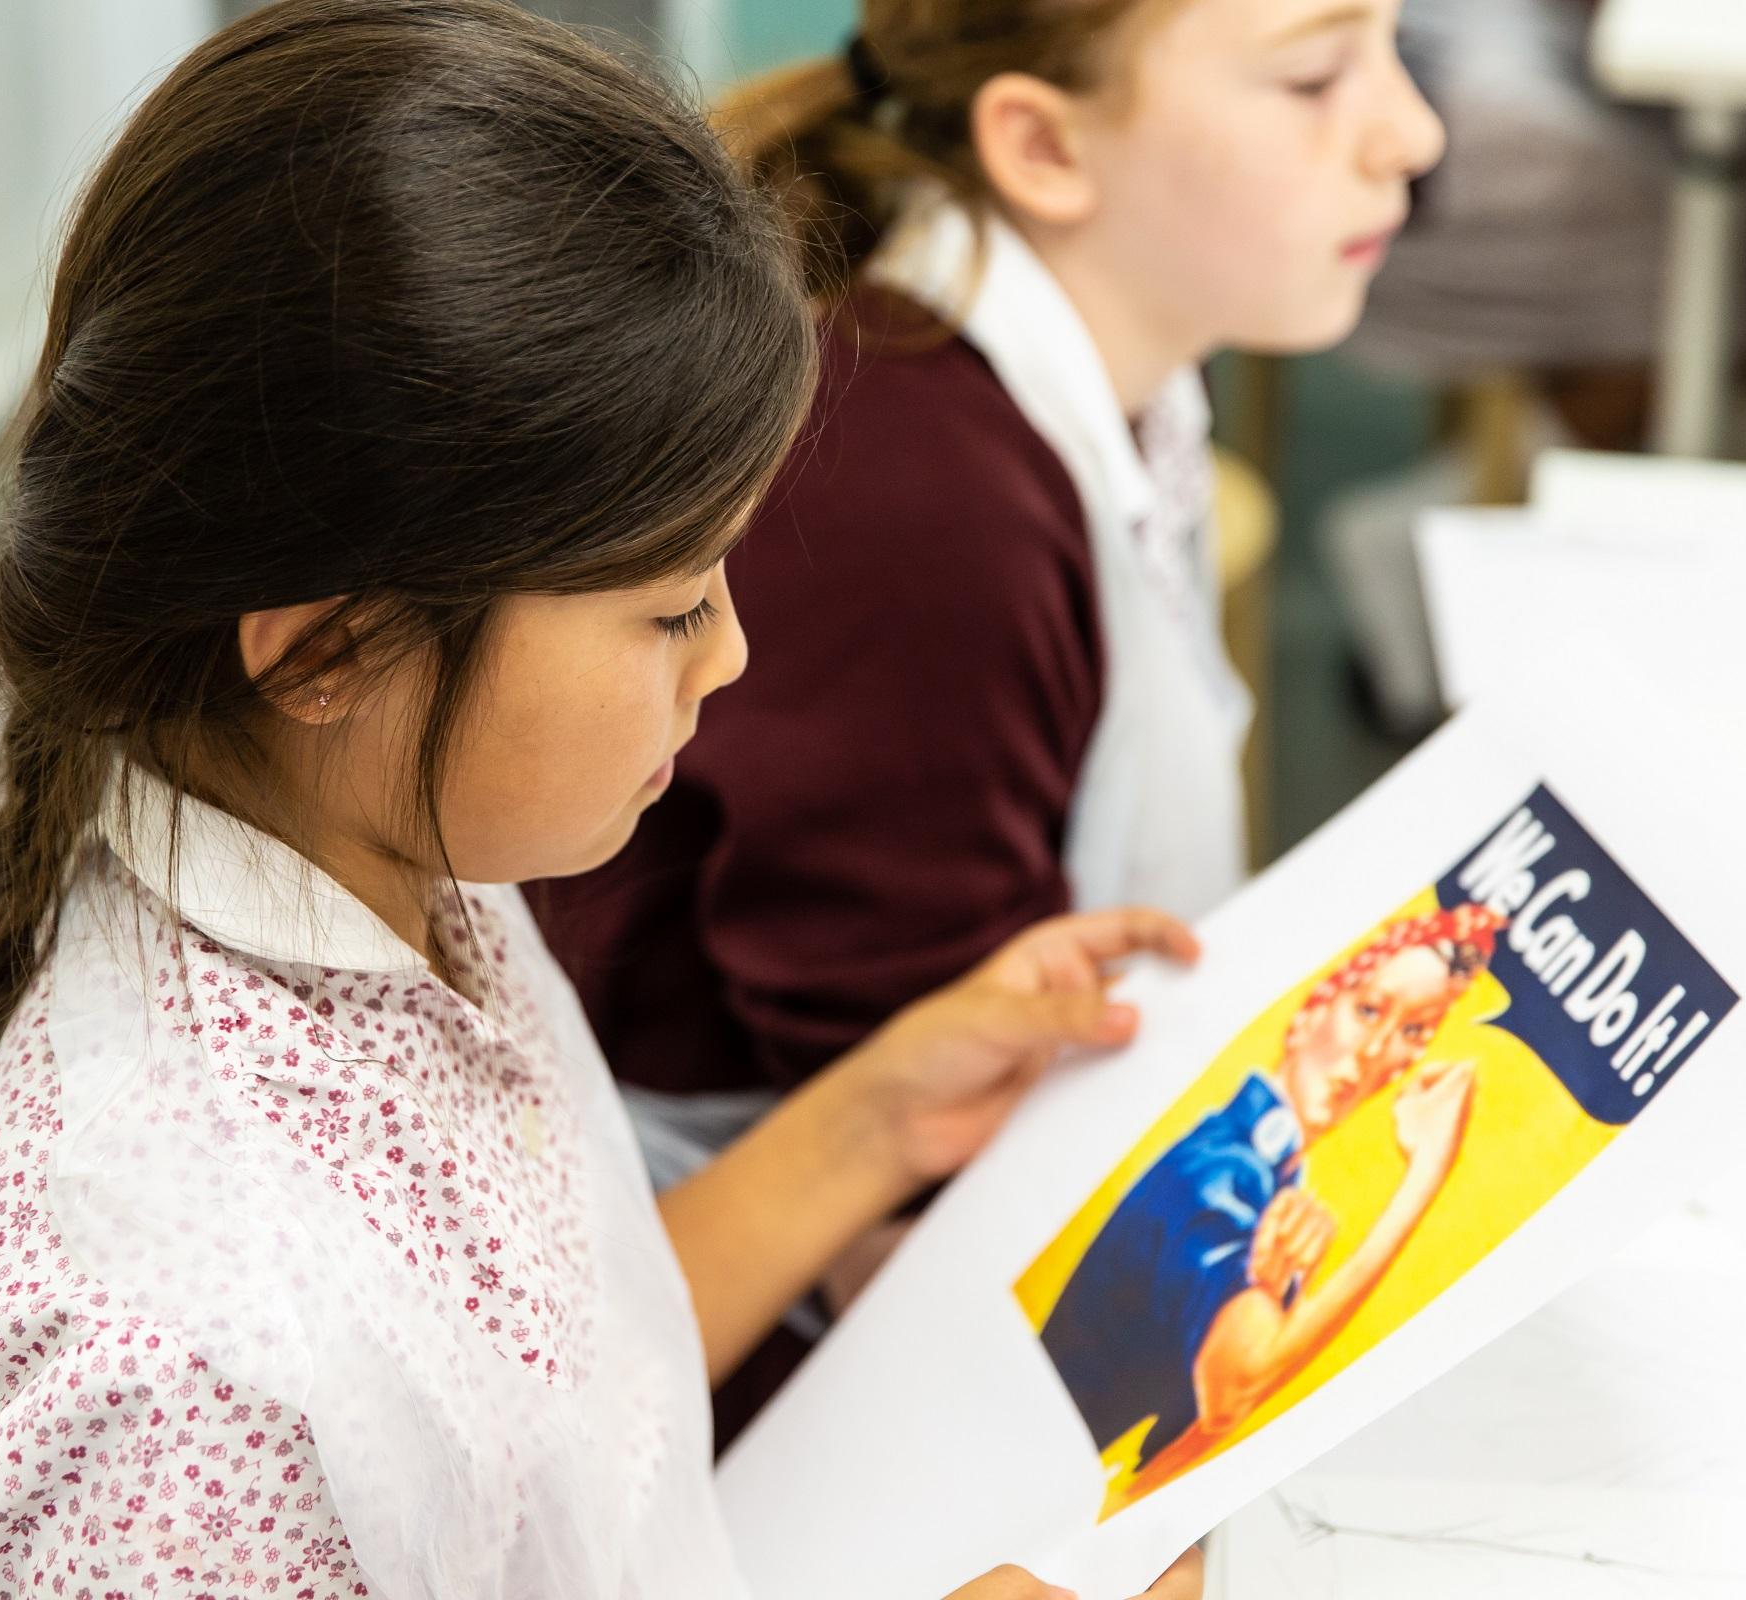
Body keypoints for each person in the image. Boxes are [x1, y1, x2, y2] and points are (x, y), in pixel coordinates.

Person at [0, 5, 1203, 1597]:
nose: (734, 659)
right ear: (332, 649)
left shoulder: (393, 856)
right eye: (672, 609)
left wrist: (870, 1121)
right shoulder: (173, 1377)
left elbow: (539, 1413)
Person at [531, 0, 1449, 1422]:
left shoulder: (1097, 376)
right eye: (1316, 76)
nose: (1412, 133)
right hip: (736, 1343)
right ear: (1037, 143)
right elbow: (920, 1128)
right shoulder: (923, 501)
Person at [1039, 904, 1500, 1498]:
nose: (1373, 1054)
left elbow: (1196, 1437)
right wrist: (1425, 1178)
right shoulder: (1224, 1170)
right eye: (1368, 1010)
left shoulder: (1270, 1182)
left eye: (1413, 1032)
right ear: (1313, 1010)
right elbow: (1238, 1386)